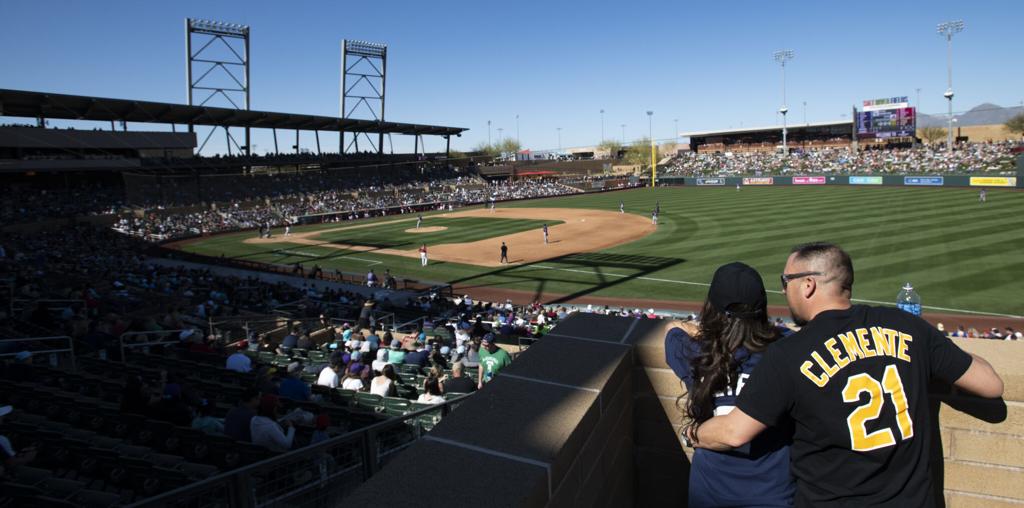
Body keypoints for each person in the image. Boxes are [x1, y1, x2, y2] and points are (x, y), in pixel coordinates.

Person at [690, 242, 1004, 506]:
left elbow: (733, 433)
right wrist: (937, 349)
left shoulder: (789, 354)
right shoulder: (908, 327)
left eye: (786, 282)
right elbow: (990, 385)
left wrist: (692, 434)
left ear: (808, 285)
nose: (784, 291)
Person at [665, 262, 793, 507]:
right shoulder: (787, 349)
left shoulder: (693, 351)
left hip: (709, 492)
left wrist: (705, 332)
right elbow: (788, 332)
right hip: (772, 492)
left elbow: (673, 329)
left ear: (712, 307)